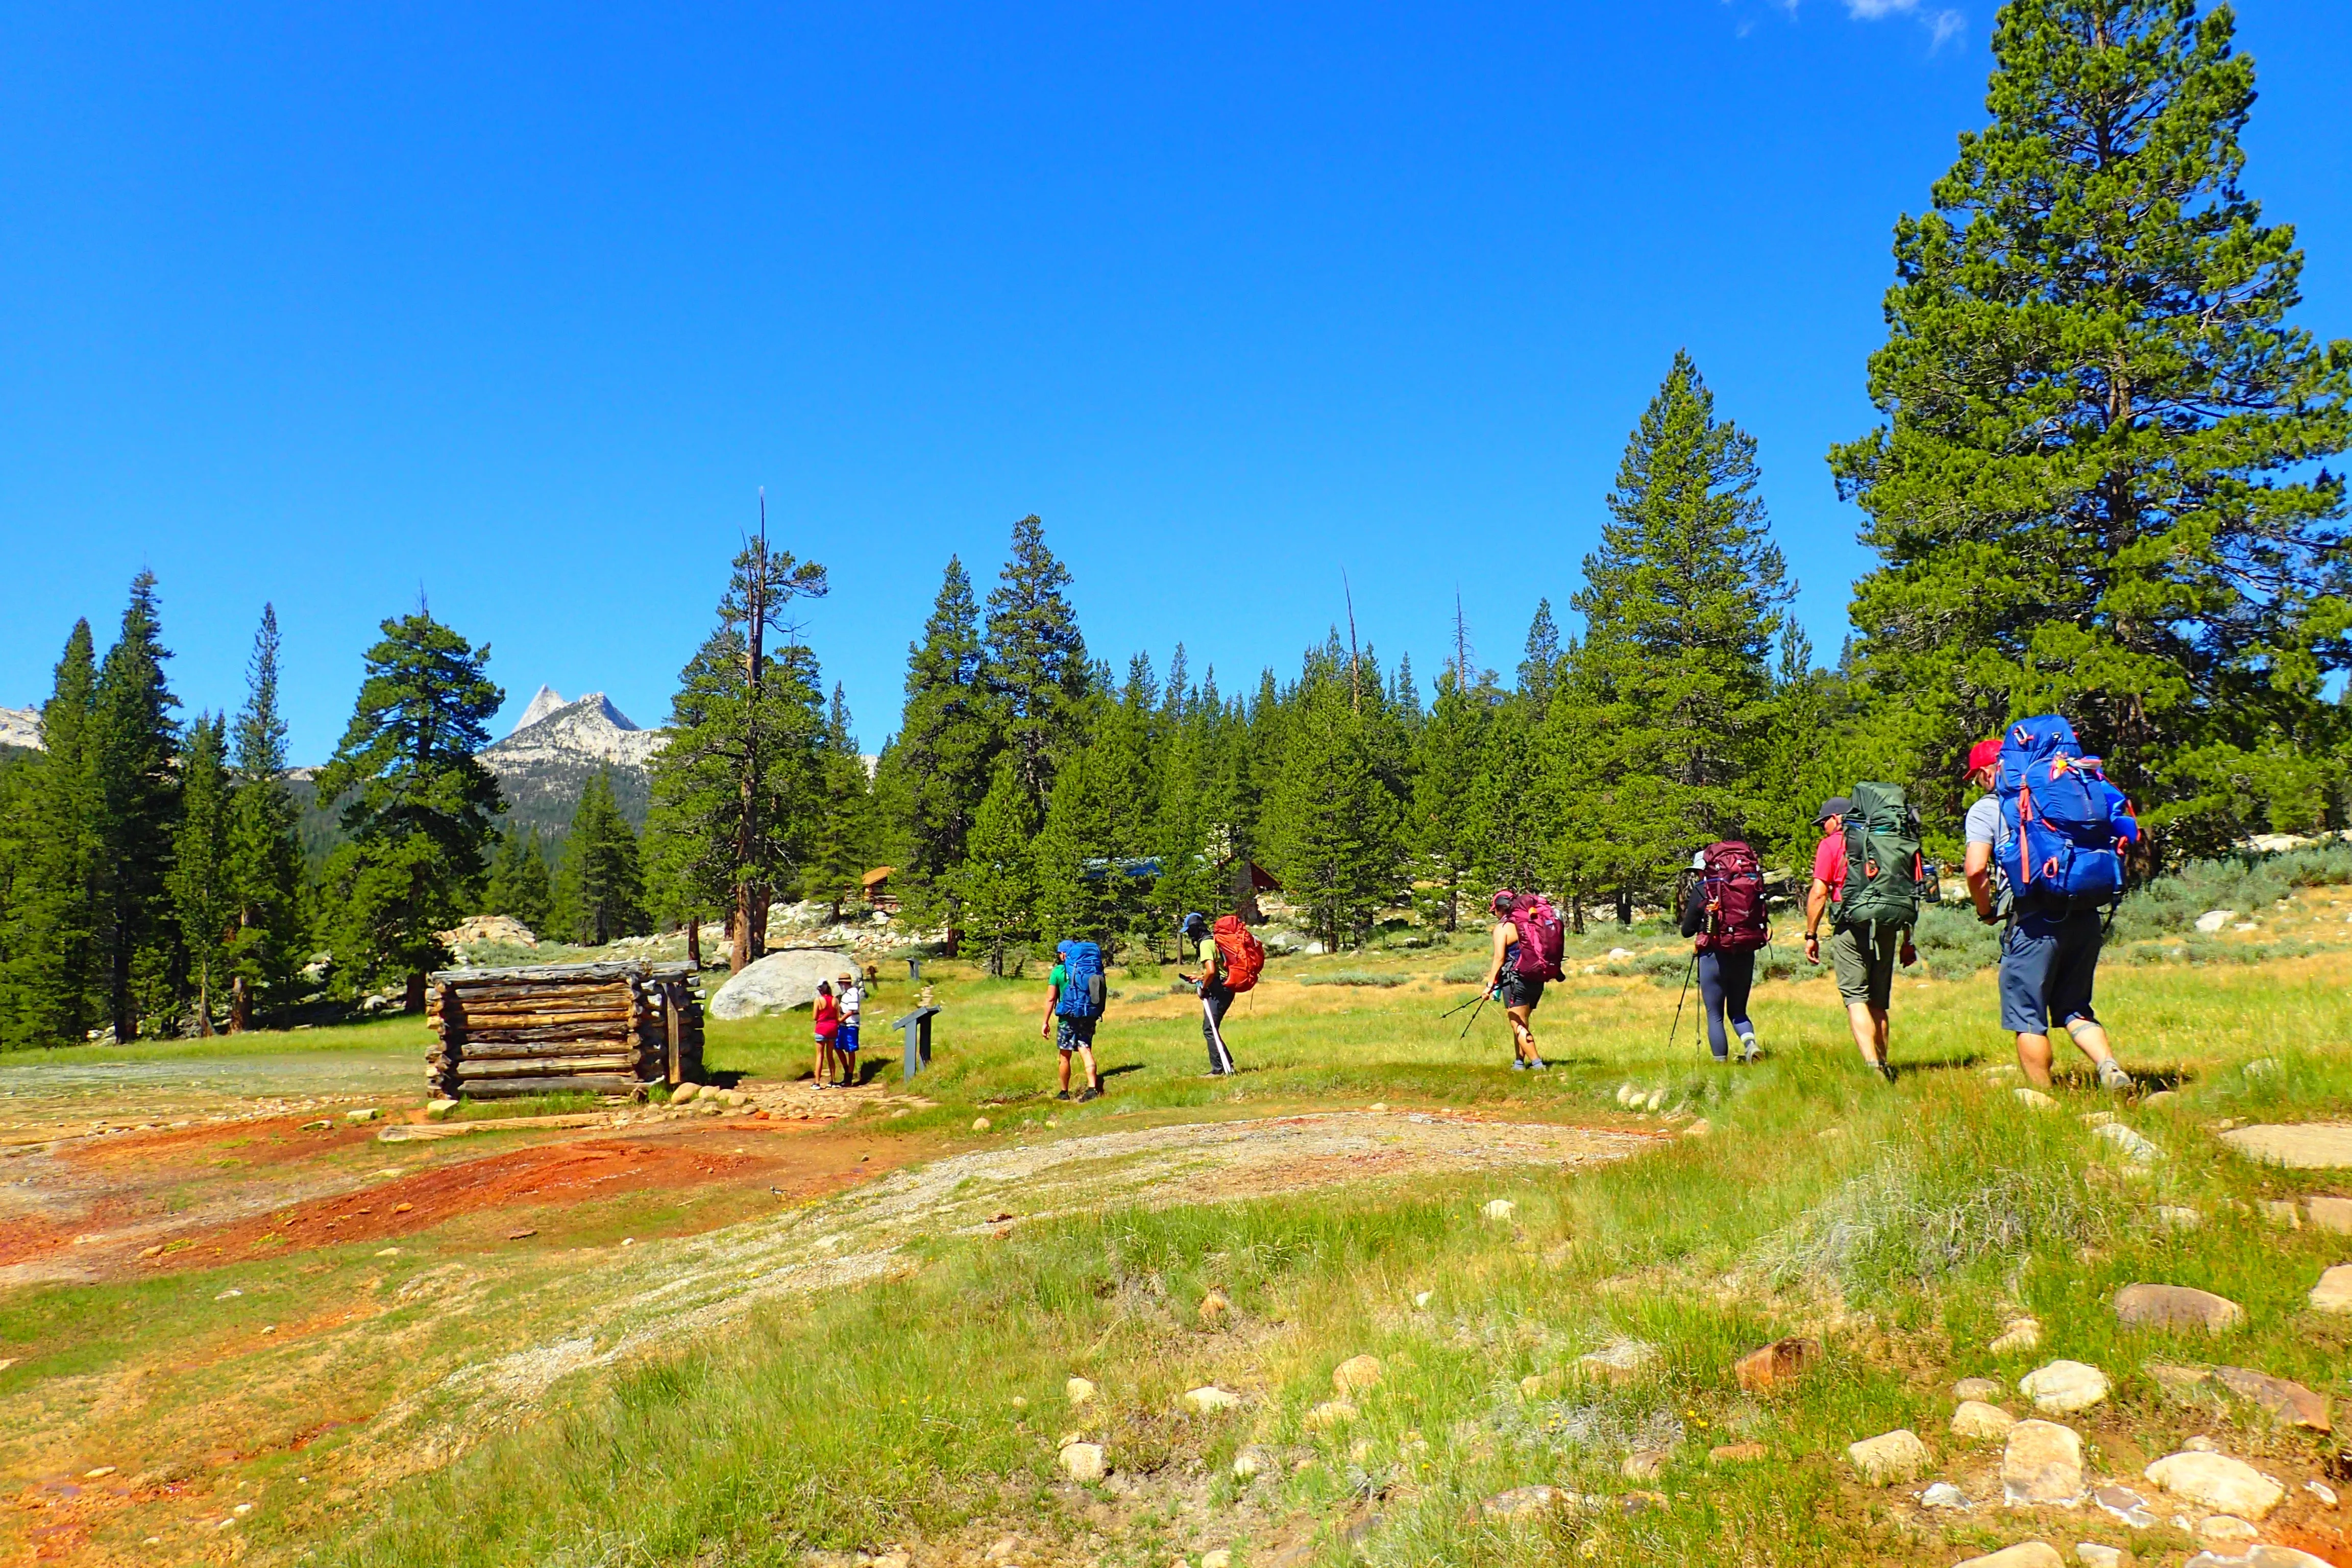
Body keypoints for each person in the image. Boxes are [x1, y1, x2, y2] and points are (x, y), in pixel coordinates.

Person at [1963, 734, 2137, 1093]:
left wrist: (1986, 911)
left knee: (2027, 1016)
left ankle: (2044, 1100)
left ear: (1989, 773)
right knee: (2076, 1008)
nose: (1979, 784)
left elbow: (1975, 869)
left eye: (1978, 777)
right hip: (2086, 911)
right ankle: (2109, 1067)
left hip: (2035, 921)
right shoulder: (2068, 792)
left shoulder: (1988, 808)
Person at [1803, 795, 1918, 1083]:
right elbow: (1910, 891)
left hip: (1850, 925)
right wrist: (1908, 939)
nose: (1824, 828)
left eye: (1824, 822)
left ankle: (1873, 1068)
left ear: (1836, 818)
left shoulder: (1830, 845)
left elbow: (1819, 892)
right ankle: (1884, 1062)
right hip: (1888, 925)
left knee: (1856, 998)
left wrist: (1811, 934)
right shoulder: (1891, 839)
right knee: (1879, 1002)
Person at [1680, 849, 1761, 1064]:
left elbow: (1687, 930)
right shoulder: (1744, 888)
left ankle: (1720, 1065)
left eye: (1697, 872)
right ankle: (1750, 1045)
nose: (1697, 876)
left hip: (1713, 956)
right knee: (1738, 1011)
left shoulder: (1701, 890)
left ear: (1704, 869)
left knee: (1714, 1014)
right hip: (1744, 953)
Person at [1478, 889, 1555, 1071]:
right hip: (1537, 978)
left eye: (1494, 911)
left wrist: (1489, 986)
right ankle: (1519, 1063)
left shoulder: (1503, 928)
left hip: (1515, 979)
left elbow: (1499, 958)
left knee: (1516, 1022)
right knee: (1522, 1021)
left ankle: (1537, 1064)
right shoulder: (1532, 922)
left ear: (1500, 909)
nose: (1494, 914)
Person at [1040, 940, 1104, 1102]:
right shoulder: (1088, 969)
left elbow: (1051, 998)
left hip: (1067, 1019)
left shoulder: (1058, 972)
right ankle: (1092, 1088)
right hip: (1088, 1015)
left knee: (1065, 1056)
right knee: (1085, 1049)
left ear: (1063, 954)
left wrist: (1045, 1022)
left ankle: (1064, 1093)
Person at [1181, 912, 1238, 1076]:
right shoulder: (1213, 940)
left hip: (1219, 990)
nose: (1188, 935)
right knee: (1211, 1028)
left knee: (1210, 1029)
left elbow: (1212, 971)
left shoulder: (1205, 944)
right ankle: (1226, 1064)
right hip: (1226, 988)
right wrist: (1200, 977)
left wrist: (1203, 989)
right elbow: (1215, 970)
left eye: (1189, 931)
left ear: (1195, 929)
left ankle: (1219, 1069)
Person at [835, 971, 864, 1087]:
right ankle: (847, 1071)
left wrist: (840, 1020)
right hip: (844, 1025)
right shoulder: (847, 994)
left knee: (850, 1050)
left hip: (851, 1024)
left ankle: (849, 1075)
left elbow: (852, 1010)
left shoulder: (853, 993)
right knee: (837, 1046)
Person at [811, 980, 842, 1089]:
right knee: (830, 1055)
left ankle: (817, 1082)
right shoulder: (835, 1000)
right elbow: (837, 1016)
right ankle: (833, 1081)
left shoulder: (818, 1000)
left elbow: (815, 1017)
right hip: (833, 1028)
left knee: (820, 1055)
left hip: (822, 1028)